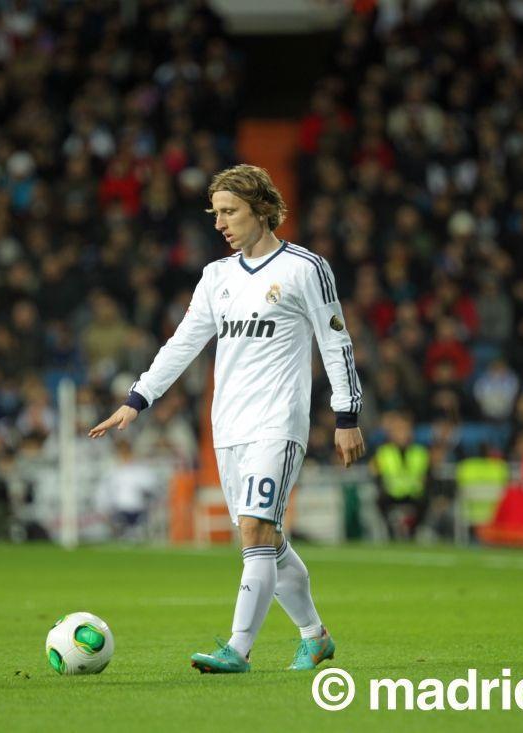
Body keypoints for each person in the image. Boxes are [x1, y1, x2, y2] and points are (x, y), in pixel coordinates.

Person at [90, 164, 365, 673]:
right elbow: (182, 344)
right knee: (268, 539)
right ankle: (314, 635)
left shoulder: (305, 268)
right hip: (229, 426)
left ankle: (237, 649)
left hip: (278, 423)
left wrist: (346, 415)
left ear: (262, 209)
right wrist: (137, 399)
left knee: (256, 531)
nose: (220, 223)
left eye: (230, 212)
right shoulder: (216, 277)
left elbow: (336, 342)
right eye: (216, 213)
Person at [370, 411, 430, 541]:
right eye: (398, 430)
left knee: (426, 501)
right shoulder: (383, 452)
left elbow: (428, 475)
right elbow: (376, 475)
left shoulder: (420, 452)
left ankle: (413, 532)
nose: (402, 434)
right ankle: (391, 532)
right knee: (380, 501)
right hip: (391, 494)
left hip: (414, 494)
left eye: (405, 430)